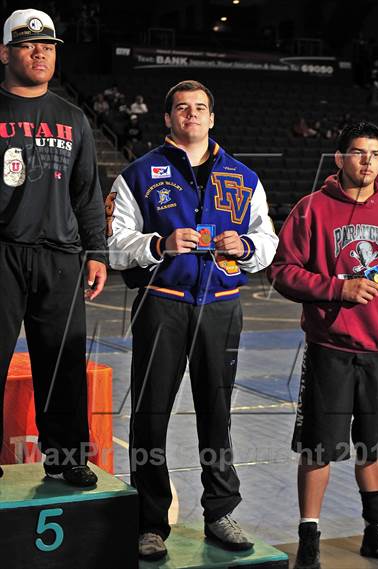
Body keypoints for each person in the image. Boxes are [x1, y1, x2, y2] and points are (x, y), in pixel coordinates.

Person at [107, 79, 278, 560]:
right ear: (167, 118)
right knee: (150, 414)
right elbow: (117, 246)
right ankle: (149, 521)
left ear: (212, 117)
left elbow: (267, 241)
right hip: (161, 303)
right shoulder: (139, 174)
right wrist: (158, 245)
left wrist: (244, 247)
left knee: (216, 413)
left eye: (200, 108)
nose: (192, 115)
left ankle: (220, 511)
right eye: (181, 108)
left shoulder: (243, 177)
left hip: (222, 306)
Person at [268, 121, 378, 569]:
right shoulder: (312, 209)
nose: (367, 162)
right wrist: (338, 288)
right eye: (358, 153)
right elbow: (281, 272)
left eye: (375, 154)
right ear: (339, 158)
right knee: (319, 445)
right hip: (330, 346)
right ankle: (309, 535)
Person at [0, 9, 107, 486]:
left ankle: (66, 458)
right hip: (2, 253)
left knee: (63, 362)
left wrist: (97, 253)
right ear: (5, 53)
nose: (40, 51)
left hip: (61, 257)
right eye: (27, 44)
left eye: (48, 44)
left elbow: (86, 193)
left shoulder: (73, 117)